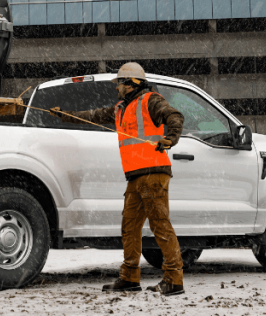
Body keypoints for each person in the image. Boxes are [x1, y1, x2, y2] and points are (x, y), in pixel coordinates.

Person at [50, 62, 186, 296]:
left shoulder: (151, 100)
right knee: (129, 226)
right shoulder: (120, 109)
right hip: (135, 176)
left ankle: (174, 280)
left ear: (131, 84)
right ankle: (130, 277)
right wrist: (66, 115)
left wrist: (170, 138)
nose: (117, 88)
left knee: (160, 225)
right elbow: (91, 116)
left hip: (154, 172)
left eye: (120, 84)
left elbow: (174, 116)